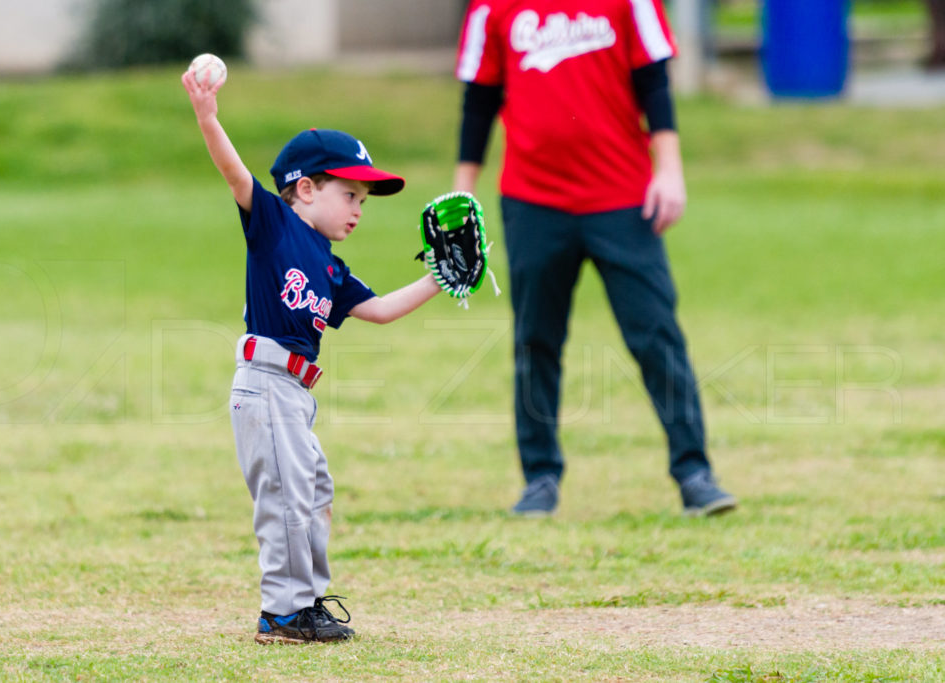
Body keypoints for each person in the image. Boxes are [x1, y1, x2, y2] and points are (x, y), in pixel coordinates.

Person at [182, 69, 442, 644]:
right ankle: (282, 611)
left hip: (295, 395)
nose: (358, 207)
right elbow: (233, 172)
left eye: (362, 199)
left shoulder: (330, 265)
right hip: (265, 383)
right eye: (349, 194)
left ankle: (305, 603)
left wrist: (438, 280)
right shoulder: (274, 224)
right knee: (286, 499)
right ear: (305, 189)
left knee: (313, 493)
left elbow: (377, 309)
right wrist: (208, 116)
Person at [452, 0, 736, 517]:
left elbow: (654, 82)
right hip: (533, 200)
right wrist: (461, 197)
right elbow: (479, 100)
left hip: (623, 198)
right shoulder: (492, 8)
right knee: (536, 339)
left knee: (656, 334)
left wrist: (669, 169)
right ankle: (539, 477)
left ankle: (695, 473)